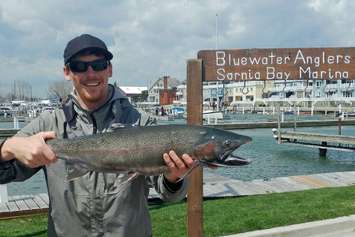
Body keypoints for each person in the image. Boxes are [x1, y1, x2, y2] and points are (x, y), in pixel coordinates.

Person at [0, 34, 193, 237]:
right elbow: (6, 171)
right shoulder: (47, 125)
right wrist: (8, 147)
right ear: (67, 72)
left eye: (98, 64)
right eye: (79, 66)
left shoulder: (142, 123)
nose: (90, 74)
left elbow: (169, 194)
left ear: (109, 69)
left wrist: (174, 178)